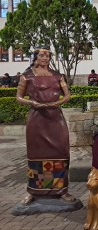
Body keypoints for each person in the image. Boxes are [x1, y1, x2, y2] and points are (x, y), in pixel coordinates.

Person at [16, 46, 76, 204]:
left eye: (48, 56)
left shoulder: (58, 76)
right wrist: (33, 102)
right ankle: (33, 191)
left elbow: (68, 95)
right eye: (42, 55)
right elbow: (19, 97)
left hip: (55, 118)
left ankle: (61, 190)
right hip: (37, 119)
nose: (45, 58)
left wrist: (57, 102)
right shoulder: (26, 76)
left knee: (60, 153)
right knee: (36, 155)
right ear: (35, 57)